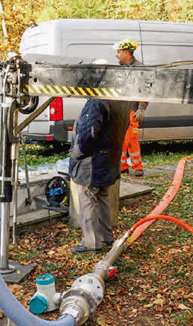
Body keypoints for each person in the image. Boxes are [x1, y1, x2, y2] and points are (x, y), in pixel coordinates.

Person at [68, 60, 132, 254]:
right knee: (102, 196)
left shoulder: (98, 100)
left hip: (92, 161)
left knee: (88, 199)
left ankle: (91, 243)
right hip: (110, 157)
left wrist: (78, 154)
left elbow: (89, 133)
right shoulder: (121, 97)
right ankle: (105, 237)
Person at [115, 39, 149, 177]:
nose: (116, 55)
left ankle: (137, 167)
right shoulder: (119, 68)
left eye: (118, 52)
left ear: (126, 53)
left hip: (131, 110)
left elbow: (145, 89)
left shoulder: (139, 68)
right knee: (119, 139)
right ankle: (122, 166)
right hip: (119, 110)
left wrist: (142, 108)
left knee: (131, 139)